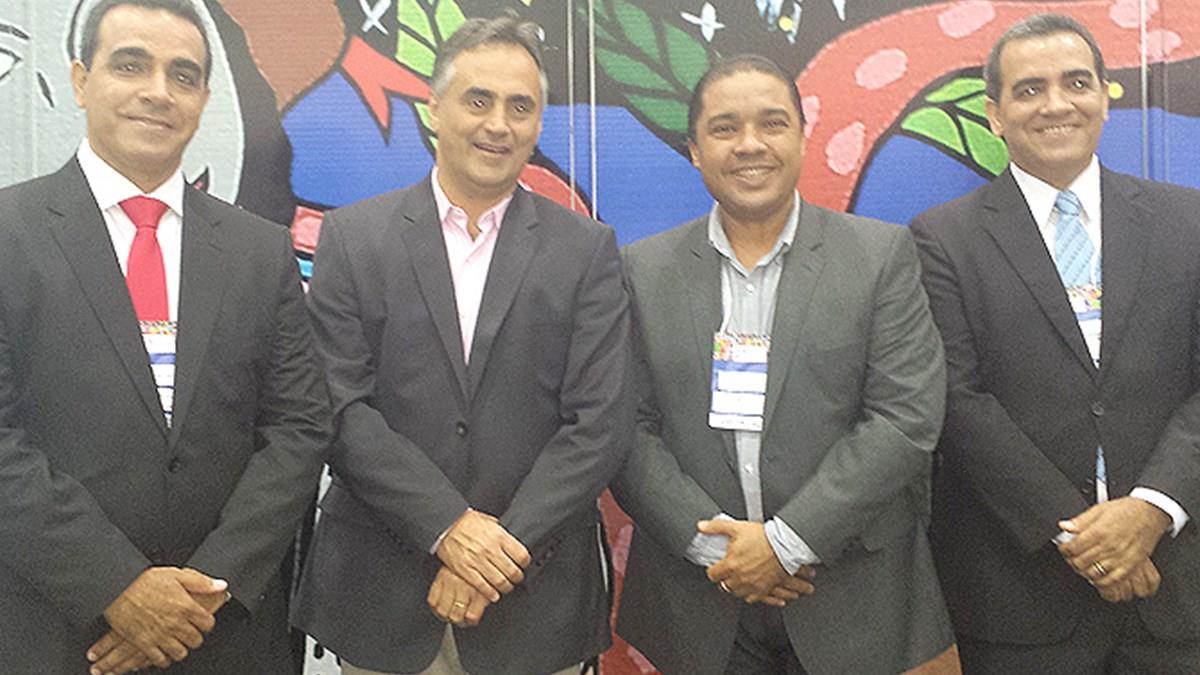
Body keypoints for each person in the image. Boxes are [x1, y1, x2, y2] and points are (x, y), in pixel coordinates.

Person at [290, 13, 632, 675]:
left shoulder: (586, 250)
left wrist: (496, 553)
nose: (498, 124)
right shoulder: (354, 240)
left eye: (519, 107)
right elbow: (340, 407)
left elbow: (600, 424)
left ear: (538, 123)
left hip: (535, 605)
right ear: (436, 106)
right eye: (478, 100)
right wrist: (448, 527)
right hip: (383, 597)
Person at [0, 1, 332, 673]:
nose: (158, 91)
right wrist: (115, 585)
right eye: (131, 65)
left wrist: (206, 590)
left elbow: (299, 427)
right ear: (81, 80)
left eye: (183, 74)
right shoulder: (11, 233)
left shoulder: (259, 250)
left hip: (225, 633)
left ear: (204, 98)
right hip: (61, 631)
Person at [612, 54, 954, 674]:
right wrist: (719, 551)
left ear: (801, 137)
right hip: (701, 600)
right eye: (725, 128)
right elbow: (624, 429)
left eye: (772, 123)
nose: (750, 144)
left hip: (849, 593)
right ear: (695, 151)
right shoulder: (642, 270)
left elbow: (906, 418)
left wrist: (784, 543)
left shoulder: (879, 257)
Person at [910, 13, 1200, 672]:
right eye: (1029, 89)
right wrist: (1089, 539)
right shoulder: (942, 239)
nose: (1056, 104)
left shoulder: (1188, 221)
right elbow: (958, 401)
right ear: (995, 115)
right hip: (1020, 599)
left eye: (1076, 83)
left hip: (1174, 586)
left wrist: (1150, 510)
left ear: (1104, 97)